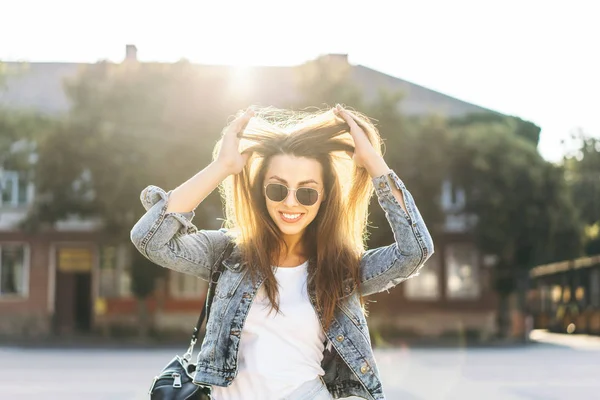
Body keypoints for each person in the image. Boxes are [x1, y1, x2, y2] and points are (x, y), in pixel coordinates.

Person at [130, 104, 434, 400]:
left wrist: (374, 164)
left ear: (324, 196)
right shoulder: (227, 254)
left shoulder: (341, 269)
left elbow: (414, 250)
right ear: (261, 190)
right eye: (277, 188)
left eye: (306, 192)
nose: (290, 202)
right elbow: (150, 239)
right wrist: (223, 167)